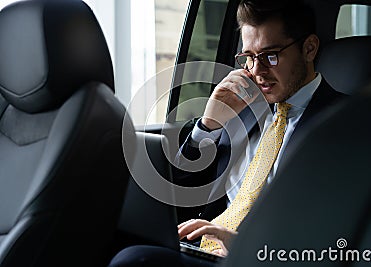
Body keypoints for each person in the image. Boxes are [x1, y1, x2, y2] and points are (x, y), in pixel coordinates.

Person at [109, 0, 345, 266]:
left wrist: (246, 243)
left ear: (309, 48)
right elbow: (180, 193)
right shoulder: (241, 110)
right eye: (249, 58)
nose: (257, 72)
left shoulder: (350, 123)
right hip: (200, 247)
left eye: (270, 56)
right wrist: (208, 124)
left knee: (135, 260)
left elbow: (337, 234)